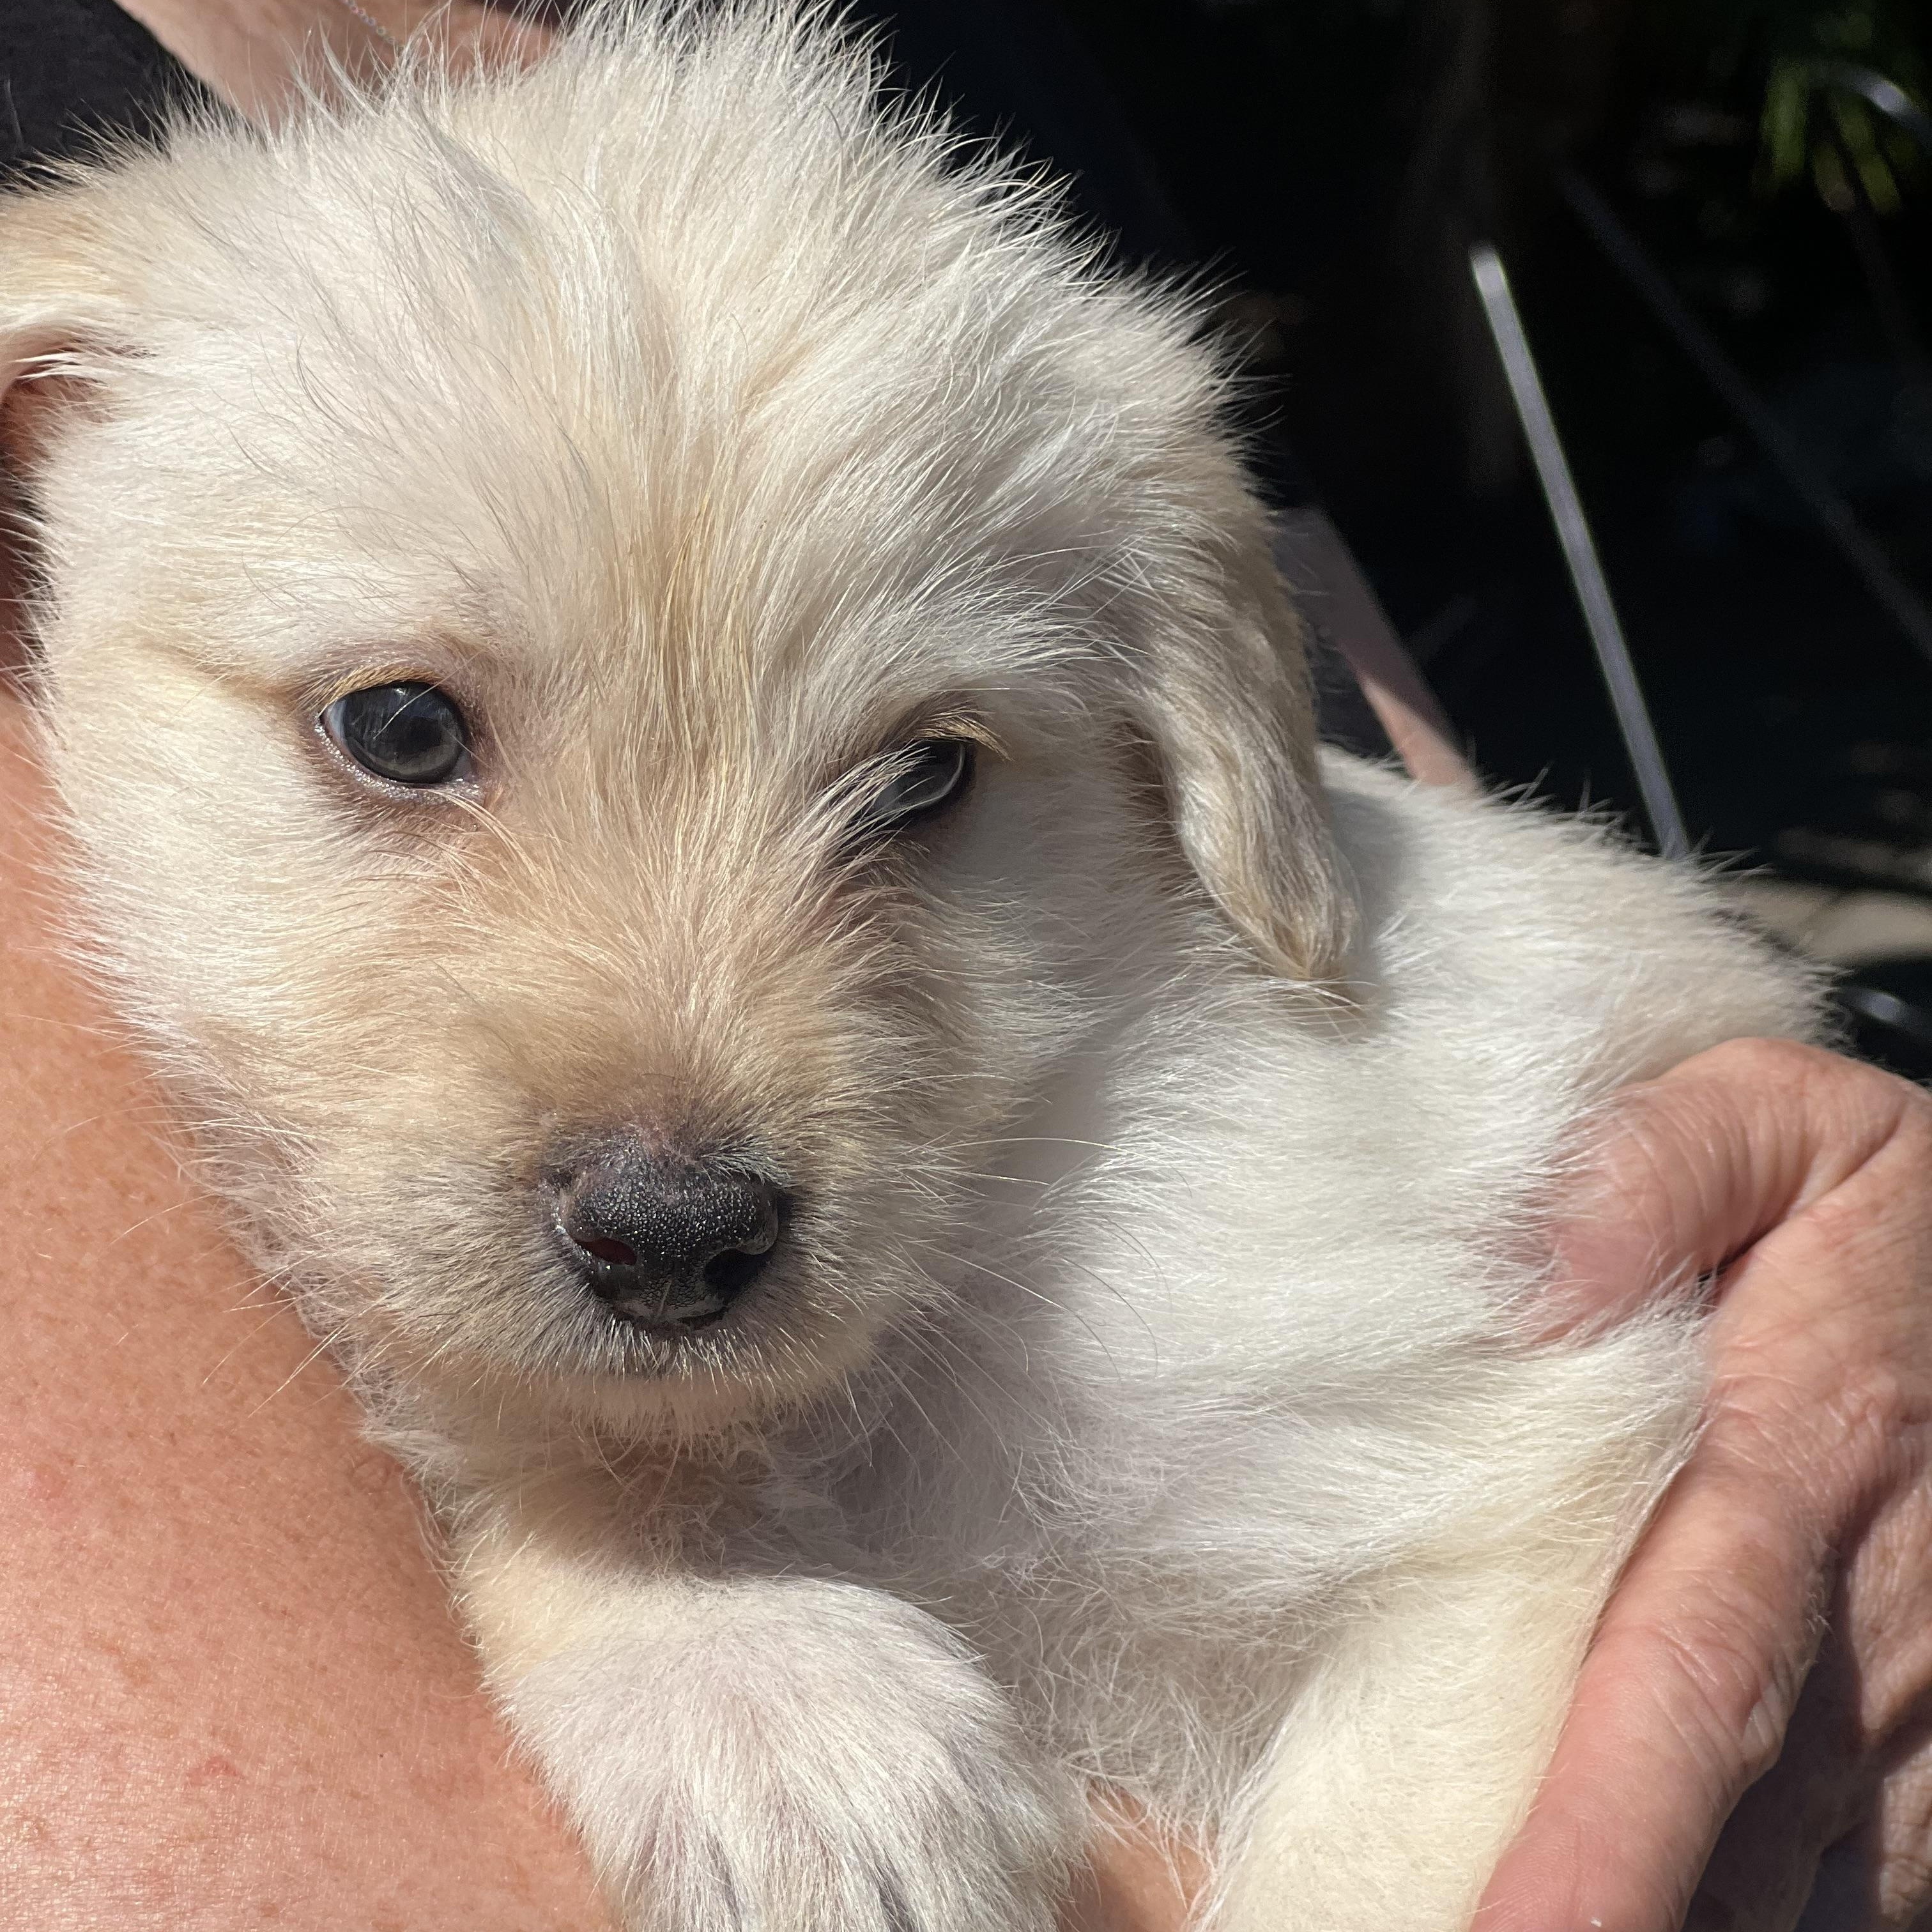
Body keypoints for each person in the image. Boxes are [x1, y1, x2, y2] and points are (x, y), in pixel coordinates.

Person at [4, 6, 1932, 1928]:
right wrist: (598, 1579)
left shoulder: (998, 114)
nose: (672, 1142)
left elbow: (1536, 1530)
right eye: (403, 734)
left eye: (916, 783)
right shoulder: (119, 301)